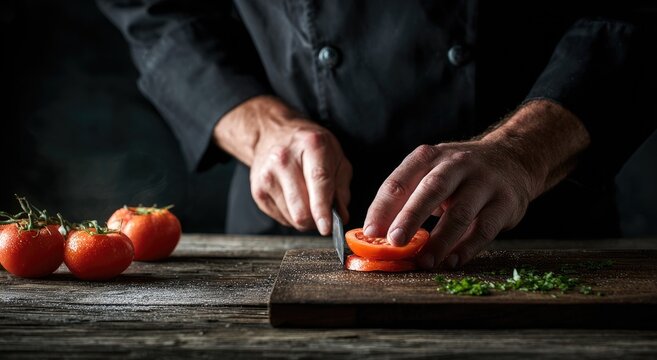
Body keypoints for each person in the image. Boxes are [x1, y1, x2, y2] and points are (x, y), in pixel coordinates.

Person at [98, 1, 656, 270]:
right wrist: (262, 127)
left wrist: (523, 152)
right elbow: (156, 11)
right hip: (293, 231)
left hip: (539, 226)